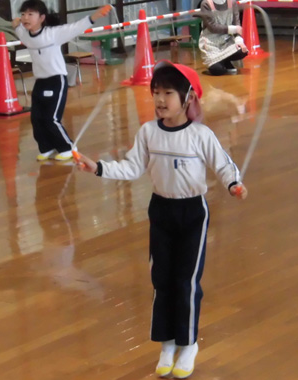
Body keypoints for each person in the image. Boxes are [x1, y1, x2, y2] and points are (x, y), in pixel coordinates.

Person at [74, 61, 247, 379]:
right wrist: (97, 167)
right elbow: (130, 167)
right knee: (162, 280)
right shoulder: (148, 133)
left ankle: (189, 342)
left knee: (186, 281)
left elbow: (223, 164)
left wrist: (233, 183)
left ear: (189, 97)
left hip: (193, 213)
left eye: (168, 93)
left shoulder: (200, 135)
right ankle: (167, 342)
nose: (160, 99)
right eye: (156, 92)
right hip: (161, 213)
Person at [12, 0, 111, 161]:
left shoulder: (53, 33)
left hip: (56, 81)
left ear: (42, 18)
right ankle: (47, 147)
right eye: (23, 14)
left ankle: (67, 148)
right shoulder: (24, 33)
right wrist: (15, 23)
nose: (25, 18)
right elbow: (16, 26)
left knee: (51, 118)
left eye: (30, 14)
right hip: (40, 81)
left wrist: (96, 15)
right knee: (36, 118)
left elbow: (76, 26)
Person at [194, 0, 249, 76]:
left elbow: (236, 23)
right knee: (218, 71)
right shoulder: (206, 3)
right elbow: (212, 27)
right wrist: (234, 29)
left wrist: (239, 40)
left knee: (242, 50)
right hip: (211, 43)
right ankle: (221, 63)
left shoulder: (232, 2)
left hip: (226, 41)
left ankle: (225, 61)